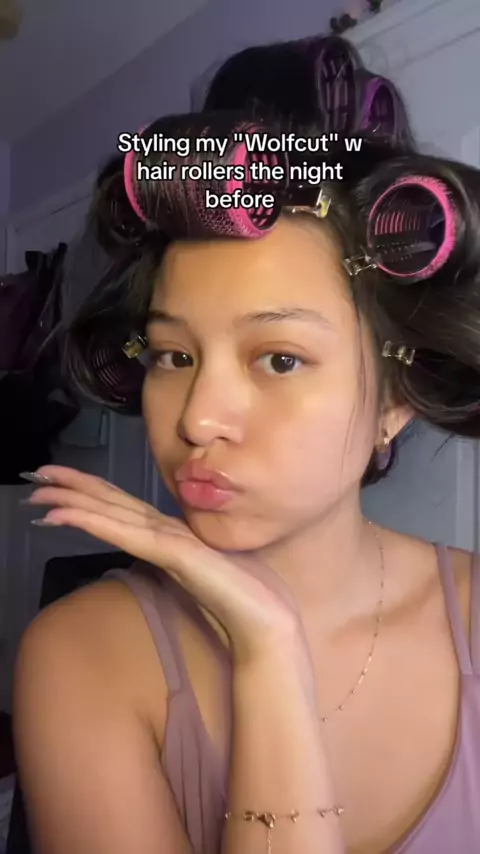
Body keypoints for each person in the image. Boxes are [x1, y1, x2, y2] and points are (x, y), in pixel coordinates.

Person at [11, 35, 480, 854]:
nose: (198, 419)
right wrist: (270, 654)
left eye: (279, 359)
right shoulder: (80, 654)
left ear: (396, 398)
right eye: (173, 356)